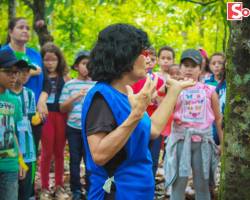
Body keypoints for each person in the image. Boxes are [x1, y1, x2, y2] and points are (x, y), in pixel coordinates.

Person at [81, 23, 195, 200]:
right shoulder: (102, 97)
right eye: (144, 53)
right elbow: (99, 154)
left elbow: (153, 129)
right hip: (115, 193)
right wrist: (135, 115)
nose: (148, 59)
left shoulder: (125, 95)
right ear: (125, 55)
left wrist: (174, 91)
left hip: (138, 191)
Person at [164, 49, 223, 200]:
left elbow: (218, 119)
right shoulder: (174, 89)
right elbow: (164, 111)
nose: (189, 69)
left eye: (193, 65)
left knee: (202, 185)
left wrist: (222, 143)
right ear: (180, 67)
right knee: (178, 185)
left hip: (203, 143)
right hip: (180, 141)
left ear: (200, 68)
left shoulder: (210, 91)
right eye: (185, 65)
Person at [3, 17, 44, 158]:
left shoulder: (35, 54)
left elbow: (43, 82)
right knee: (9, 154)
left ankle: (29, 180)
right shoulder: (3, 53)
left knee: (31, 154)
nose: (25, 30)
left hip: (32, 114)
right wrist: (31, 71)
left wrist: (41, 101)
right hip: (7, 111)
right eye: (21, 27)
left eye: (27, 28)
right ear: (10, 31)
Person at [59, 50, 95, 200]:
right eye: (84, 64)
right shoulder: (70, 85)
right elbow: (62, 108)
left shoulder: (96, 84)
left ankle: (90, 188)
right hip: (73, 128)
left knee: (90, 161)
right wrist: (76, 96)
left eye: (89, 64)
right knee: (74, 160)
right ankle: (76, 190)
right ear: (76, 66)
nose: (87, 67)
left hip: (91, 129)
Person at [39, 42, 70, 200]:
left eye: (53, 60)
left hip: (61, 115)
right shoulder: (40, 76)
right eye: (46, 59)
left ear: (59, 60)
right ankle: (44, 187)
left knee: (59, 152)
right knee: (46, 152)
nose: (50, 63)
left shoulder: (64, 77)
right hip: (46, 116)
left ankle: (59, 185)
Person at [0, 48, 28, 200]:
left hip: (10, 165)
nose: (13, 77)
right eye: (8, 71)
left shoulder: (14, 101)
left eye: (16, 72)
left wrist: (19, 159)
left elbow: (12, 132)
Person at [132, 46, 165, 178]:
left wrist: (157, 99)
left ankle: (149, 184)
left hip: (155, 124)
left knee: (153, 157)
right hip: (137, 123)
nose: (148, 62)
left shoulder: (160, 81)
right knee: (137, 155)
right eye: (145, 58)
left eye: (152, 59)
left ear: (155, 61)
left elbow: (163, 103)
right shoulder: (134, 78)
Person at [9, 57, 37, 200]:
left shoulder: (30, 94)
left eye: (27, 72)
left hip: (28, 149)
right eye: (21, 71)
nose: (25, 75)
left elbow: (33, 120)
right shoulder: (6, 95)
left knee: (27, 189)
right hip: (10, 149)